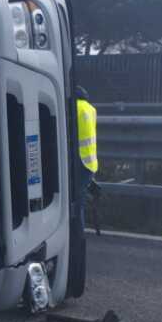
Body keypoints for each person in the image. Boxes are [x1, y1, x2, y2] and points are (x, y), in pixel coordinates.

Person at [75, 86, 98, 228]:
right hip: (90, 162)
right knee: (80, 199)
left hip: (79, 160)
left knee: (76, 202)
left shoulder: (74, 108)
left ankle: (78, 233)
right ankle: (79, 230)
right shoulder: (91, 109)